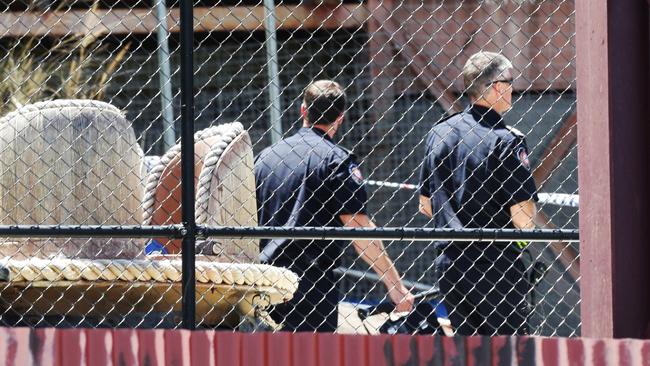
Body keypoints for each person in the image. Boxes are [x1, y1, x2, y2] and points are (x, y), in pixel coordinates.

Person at [255, 80, 414, 332]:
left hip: (263, 279)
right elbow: (358, 227)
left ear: (303, 110)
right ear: (340, 118)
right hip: (309, 283)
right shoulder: (336, 161)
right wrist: (395, 285)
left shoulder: (265, 157)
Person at [418, 52, 539, 335]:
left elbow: (426, 204)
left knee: (469, 352)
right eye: (510, 81)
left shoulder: (439, 133)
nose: (513, 88)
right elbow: (523, 218)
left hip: (450, 264)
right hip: (495, 265)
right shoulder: (506, 140)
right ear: (497, 86)